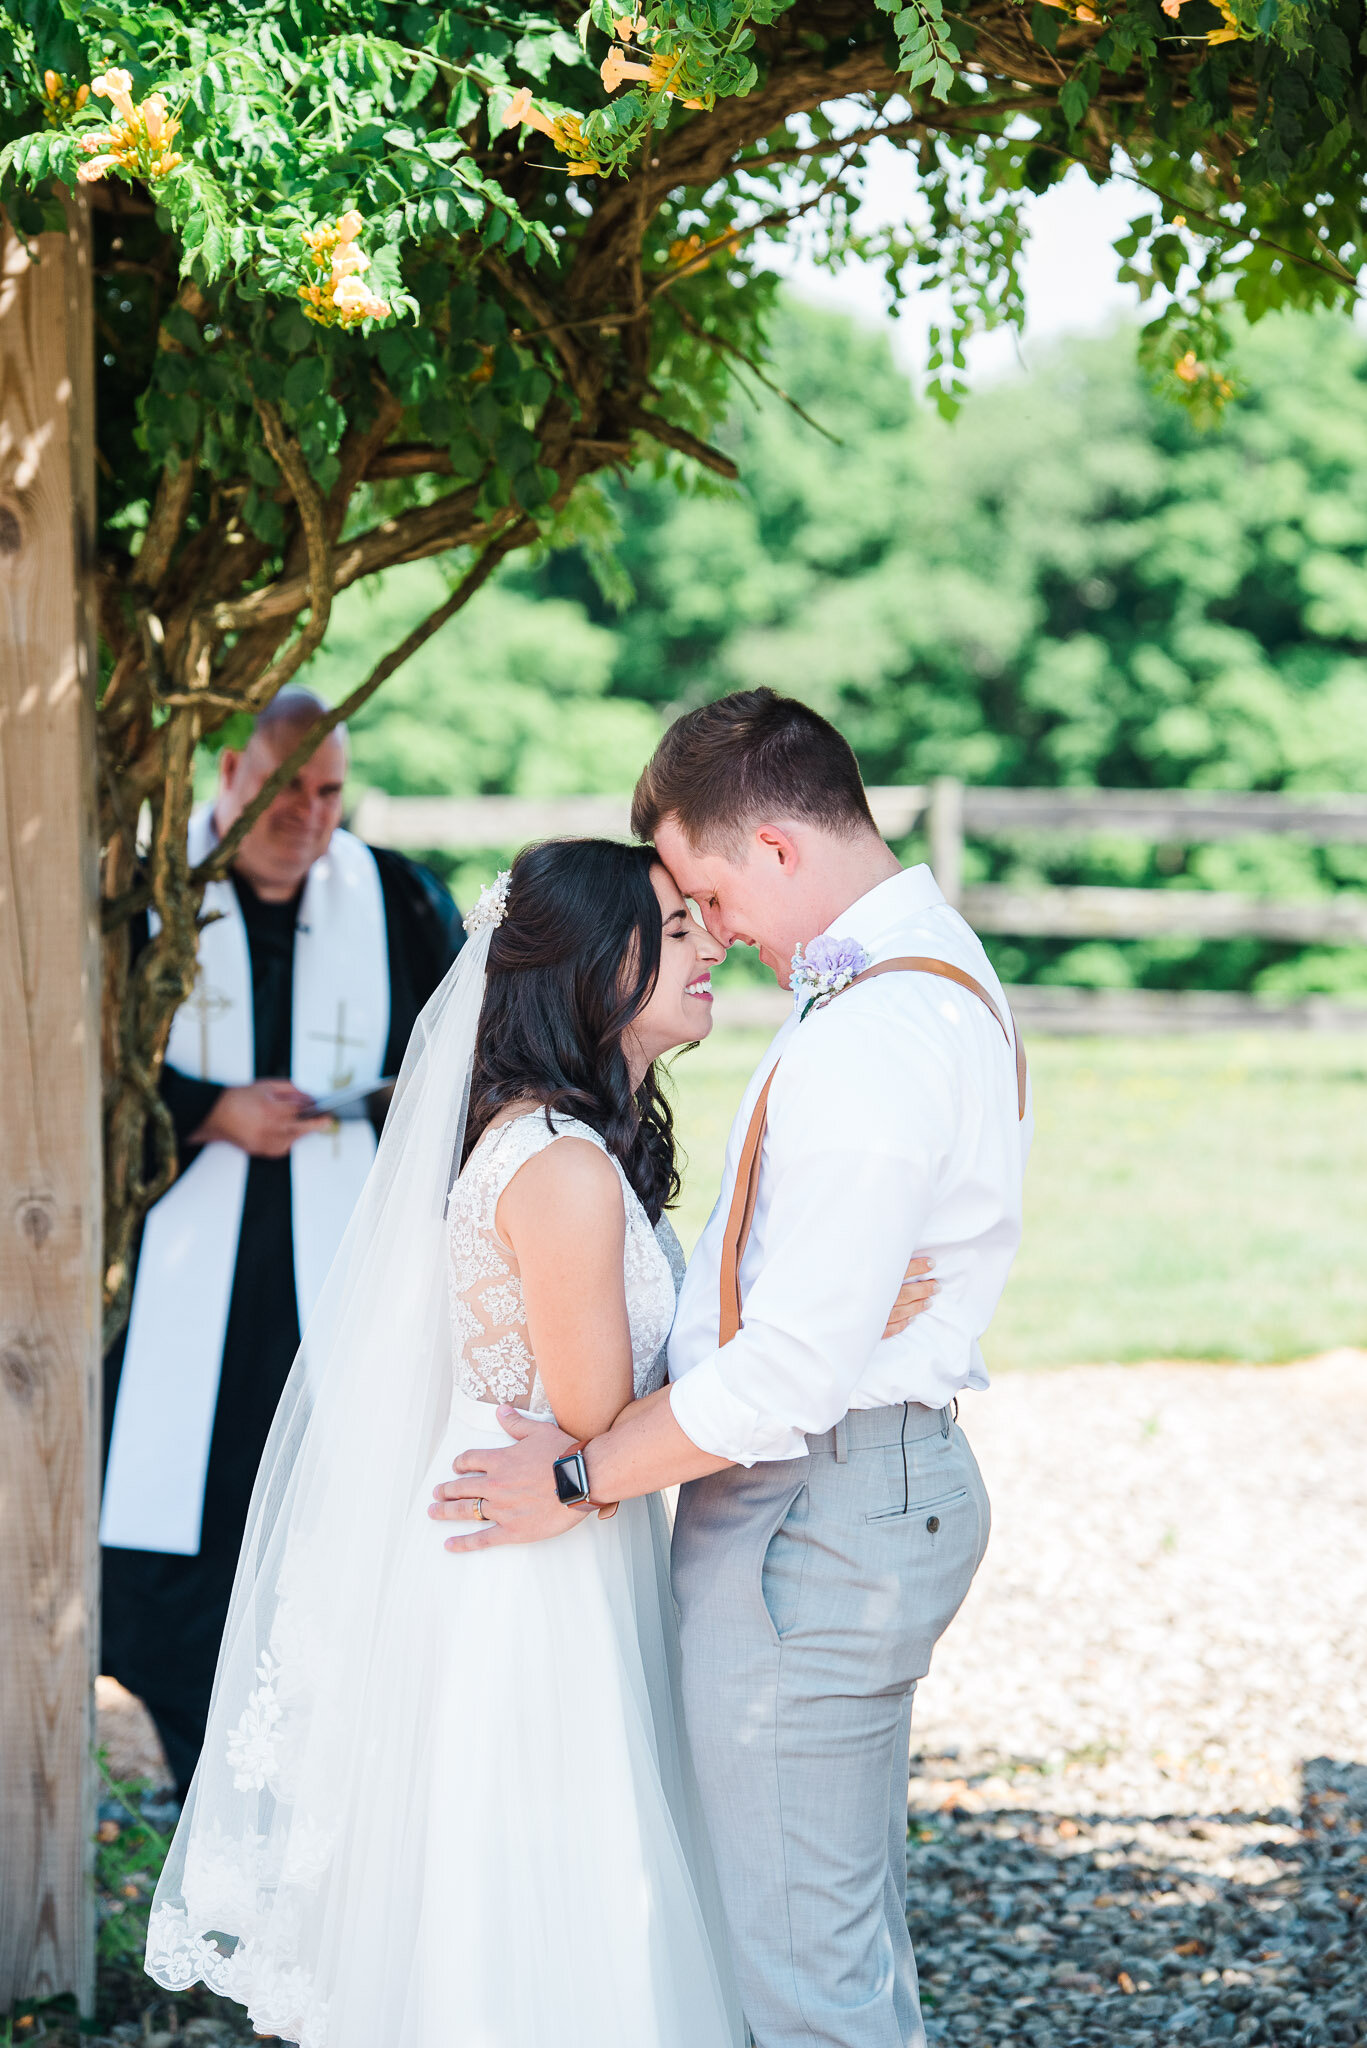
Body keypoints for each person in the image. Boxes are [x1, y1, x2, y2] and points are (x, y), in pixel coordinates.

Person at [143, 837, 935, 2047]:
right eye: (674, 930)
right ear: (588, 967)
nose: (710, 942)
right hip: (534, 1570)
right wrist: (826, 1321)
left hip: (542, 1536)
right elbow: (600, 1427)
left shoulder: (554, 1140)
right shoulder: (558, 1166)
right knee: (554, 1901)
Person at [431, 689, 1033, 2048]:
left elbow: (785, 1378)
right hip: (845, 1489)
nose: (710, 929)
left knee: (802, 1979)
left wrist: (578, 1476)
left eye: (705, 891)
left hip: (809, 1510)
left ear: (771, 846)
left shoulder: (875, 1033)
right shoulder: (913, 981)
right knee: (836, 1943)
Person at [101, 687, 462, 1799]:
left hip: (333, 1273)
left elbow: (460, 1050)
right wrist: (210, 1109)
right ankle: (195, 1766)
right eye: (284, 784)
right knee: (177, 1537)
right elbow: (81, 1057)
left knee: (321, 1508)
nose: (307, 812)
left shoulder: (394, 900)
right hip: (170, 1282)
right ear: (225, 776)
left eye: (327, 790)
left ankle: (304, 1784)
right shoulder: (144, 901)